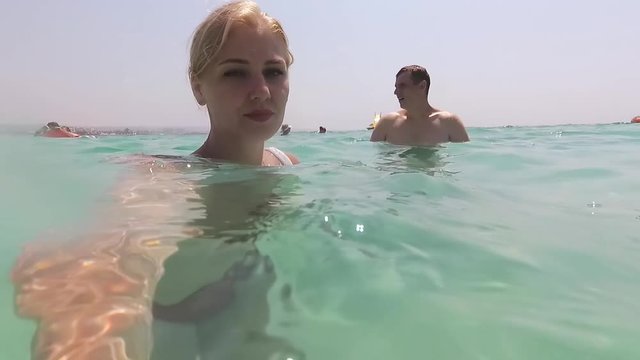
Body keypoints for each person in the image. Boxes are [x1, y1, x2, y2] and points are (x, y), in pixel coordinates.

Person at [12, 1, 303, 359]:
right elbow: (105, 264)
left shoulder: (286, 163)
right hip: (171, 324)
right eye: (235, 73)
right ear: (198, 87)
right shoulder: (168, 177)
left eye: (274, 71)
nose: (261, 89)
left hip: (246, 302)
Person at [370, 65, 469, 146]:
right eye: (396, 87)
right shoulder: (387, 124)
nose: (395, 92)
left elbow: (464, 162)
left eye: (402, 86)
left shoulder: (449, 122)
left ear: (422, 86)